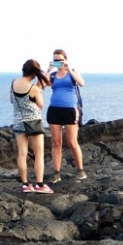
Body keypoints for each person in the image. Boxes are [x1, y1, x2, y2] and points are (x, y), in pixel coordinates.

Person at [11, 59, 52, 193]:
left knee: (22, 154)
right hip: (33, 122)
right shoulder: (33, 88)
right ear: (34, 74)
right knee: (39, 153)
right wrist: (38, 92)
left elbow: (12, 100)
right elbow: (41, 104)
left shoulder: (13, 83)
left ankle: (25, 185)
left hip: (18, 122)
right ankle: (40, 185)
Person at [46, 49, 86, 182]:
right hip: (54, 110)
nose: (58, 62)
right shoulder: (52, 75)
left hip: (70, 110)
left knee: (72, 142)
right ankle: (56, 173)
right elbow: (43, 84)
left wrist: (69, 70)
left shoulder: (72, 72)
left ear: (66, 59)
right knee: (56, 143)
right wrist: (48, 70)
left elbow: (81, 83)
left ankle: (80, 170)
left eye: (60, 59)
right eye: (55, 59)